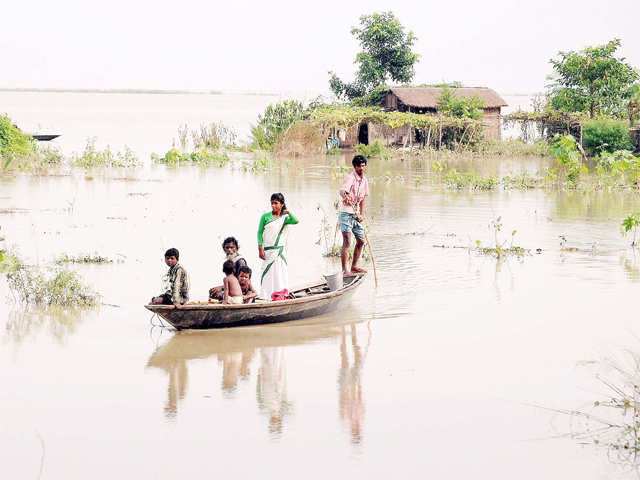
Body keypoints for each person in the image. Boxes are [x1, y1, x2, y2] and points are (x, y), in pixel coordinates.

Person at [257, 193, 298, 301]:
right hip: (268, 250)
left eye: (276, 203)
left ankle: (279, 295)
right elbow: (260, 233)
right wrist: (260, 248)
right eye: (272, 203)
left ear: (282, 204)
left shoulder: (284, 218)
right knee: (267, 273)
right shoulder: (265, 216)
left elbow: (295, 221)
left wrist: (288, 212)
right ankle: (266, 296)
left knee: (279, 272)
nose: (273, 205)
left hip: (279, 251)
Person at [339, 155, 369, 274]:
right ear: (355, 167)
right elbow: (342, 190)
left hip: (355, 214)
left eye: (363, 166)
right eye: (359, 166)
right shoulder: (350, 178)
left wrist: (361, 215)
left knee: (361, 241)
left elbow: (362, 200)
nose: (361, 168)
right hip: (346, 212)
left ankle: (354, 266)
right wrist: (345, 195)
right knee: (347, 241)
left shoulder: (364, 181)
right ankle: (345, 270)